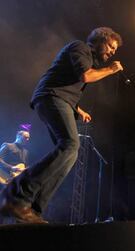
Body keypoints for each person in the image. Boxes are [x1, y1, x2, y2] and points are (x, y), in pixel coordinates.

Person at [0, 27, 123, 224]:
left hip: (59, 99)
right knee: (71, 145)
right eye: (110, 46)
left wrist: (77, 109)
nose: (112, 52)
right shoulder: (80, 48)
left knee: (70, 155)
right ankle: (17, 196)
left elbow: (67, 86)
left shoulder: (87, 59)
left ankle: (33, 210)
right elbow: (85, 76)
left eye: (114, 50)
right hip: (50, 97)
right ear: (99, 40)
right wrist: (110, 69)